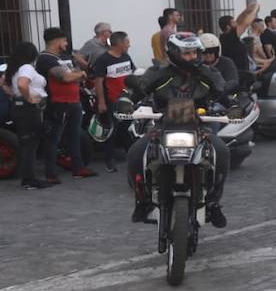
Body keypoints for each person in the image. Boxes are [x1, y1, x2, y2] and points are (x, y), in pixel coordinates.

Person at [123, 33, 231, 227]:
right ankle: (142, 201)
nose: (193, 57)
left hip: (199, 127)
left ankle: (214, 202)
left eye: (195, 52)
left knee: (221, 152)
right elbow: (138, 89)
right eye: (187, 53)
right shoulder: (158, 72)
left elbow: (224, 92)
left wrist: (234, 104)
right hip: (162, 126)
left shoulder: (207, 73)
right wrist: (125, 102)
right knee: (135, 153)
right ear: (174, 52)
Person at [35, 27, 94, 182]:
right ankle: (51, 173)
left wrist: (77, 73)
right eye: (64, 40)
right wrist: (79, 74)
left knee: (74, 136)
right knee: (54, 138)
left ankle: (78, 167)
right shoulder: (46, 59)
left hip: (73, 101)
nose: (66, 44)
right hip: (58, 104)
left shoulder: (62, 58)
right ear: (56, 41)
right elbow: (65, 78)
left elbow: (73, 73)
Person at [90, 31, 136, 173]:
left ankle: (132, 156)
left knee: (128, 128)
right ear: (119, 44)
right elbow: (98, 82)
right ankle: (109, 160)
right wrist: (102, 102)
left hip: (126, 99)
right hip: (111, 100)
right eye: (127, 42)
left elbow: (131, 75)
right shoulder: (103, 60)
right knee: (111, 131)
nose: (129, 45)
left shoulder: (126, 57)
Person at [6, 42, 47, 189]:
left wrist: (14, 95)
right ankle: (30, 179)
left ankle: (28, 178)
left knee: (26, 144)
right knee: (30, 144)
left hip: (19, 107)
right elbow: (23, 84)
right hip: (29, 108)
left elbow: (3, 83)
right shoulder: (27, 68)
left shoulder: (15, 68)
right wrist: (29, 98)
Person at [218, 2, 258, 75]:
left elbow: (239, 20)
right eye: (233, 22)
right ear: (228, 27)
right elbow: (245, 23)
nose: (236, 23)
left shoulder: (224, 37)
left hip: (238, 71)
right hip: (239, 72)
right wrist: (255, 10)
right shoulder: (231, 36)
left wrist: (246, 11)